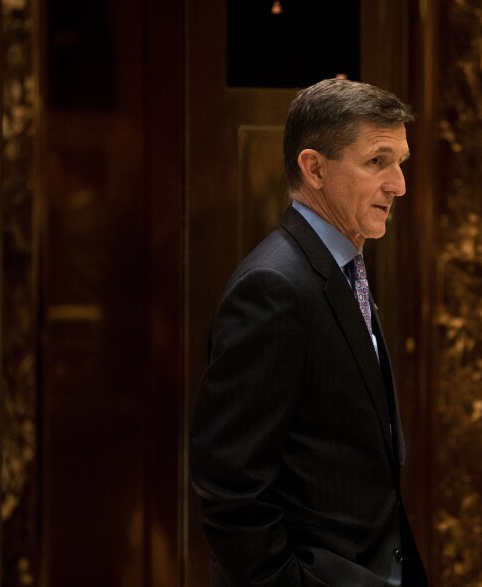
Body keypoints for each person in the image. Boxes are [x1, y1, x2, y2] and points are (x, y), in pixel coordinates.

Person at [189, 79, 428, 586]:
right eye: (376, 162)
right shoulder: (273, 286)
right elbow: (231, 489)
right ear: (314, 168)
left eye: (400, 162)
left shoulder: (342, 266)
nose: (399, 184)